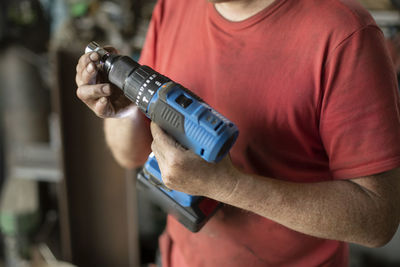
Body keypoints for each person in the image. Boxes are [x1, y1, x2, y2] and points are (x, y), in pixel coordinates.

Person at [75, 0, 400, 266]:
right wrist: (122, 106)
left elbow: (377, 219)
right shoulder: (175, 7)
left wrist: (228, 186)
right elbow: (128, 153)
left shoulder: (344, 33)